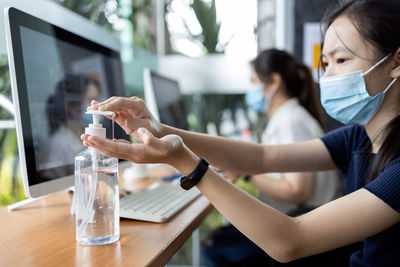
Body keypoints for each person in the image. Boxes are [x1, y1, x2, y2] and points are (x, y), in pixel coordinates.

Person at [81, 0, 400, 265]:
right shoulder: (359, 138)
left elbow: (291, 240)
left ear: (396, 62)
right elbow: (263, 156)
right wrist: (158, 128)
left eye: (342, 60)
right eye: (325, 64)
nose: (328, 76)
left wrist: (189, 165)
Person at [200, 49, 342, 266]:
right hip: (291, 219)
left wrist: (246, 174)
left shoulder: (292, 122)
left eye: (254, 81)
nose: (251, 90)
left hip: (300, 225)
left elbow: (298, 192)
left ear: (274, 82)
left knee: (213, 247)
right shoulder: (286, 119)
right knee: (218, 237)